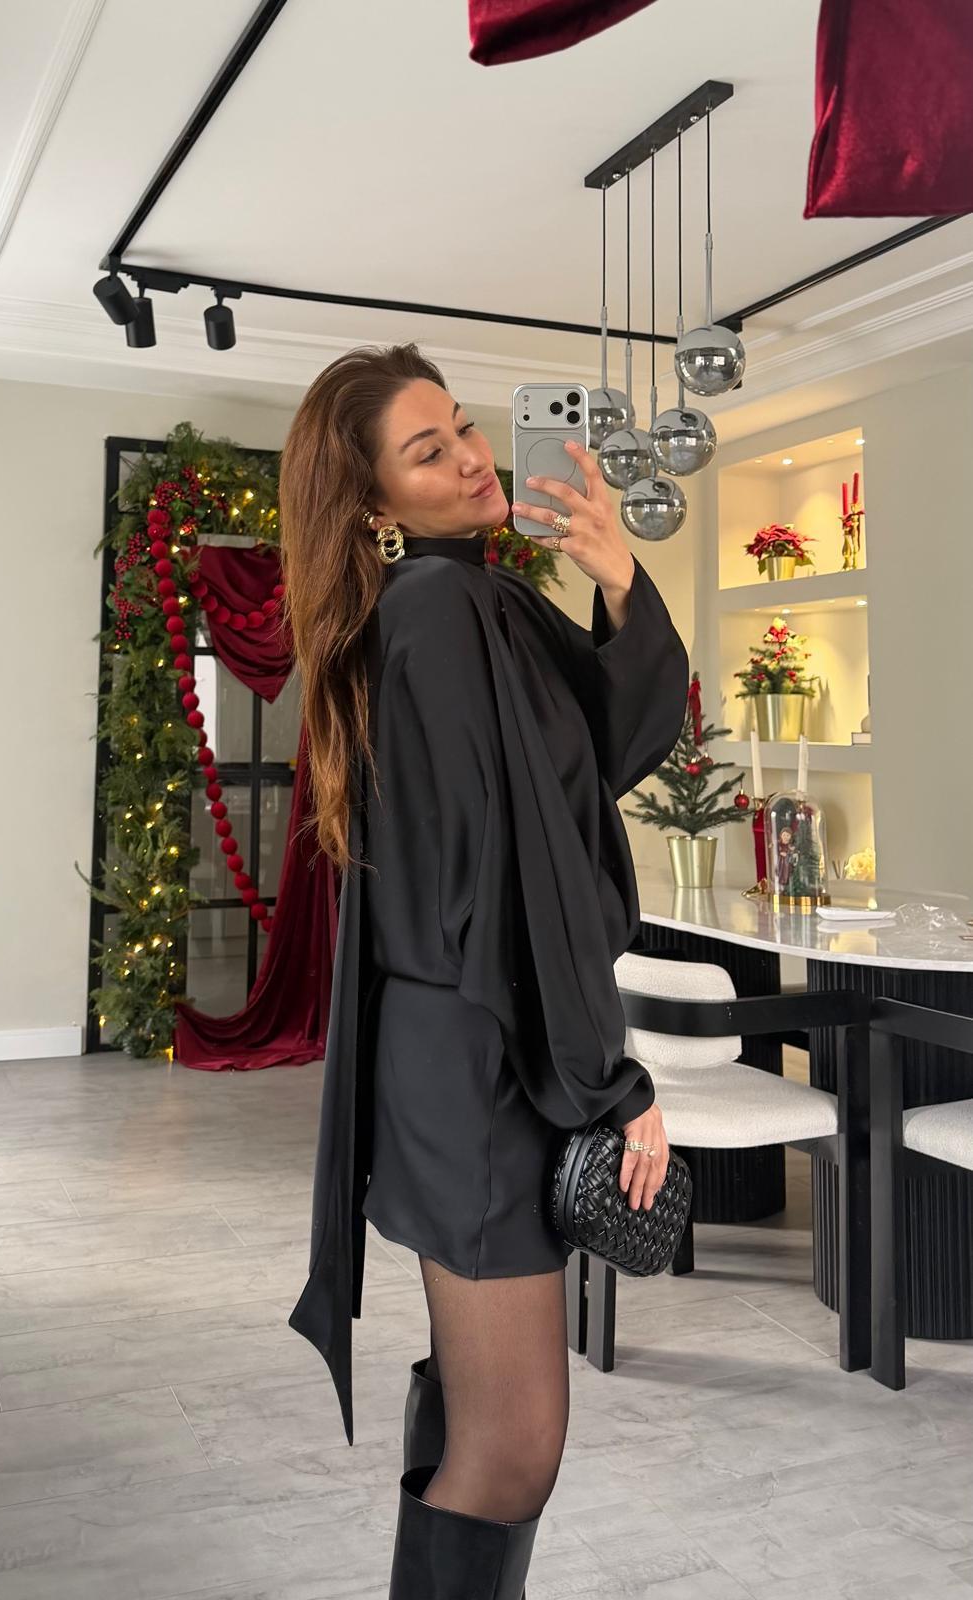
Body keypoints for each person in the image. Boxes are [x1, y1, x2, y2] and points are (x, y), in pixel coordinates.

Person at [281, 342, 689, 1598]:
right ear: (373, 502)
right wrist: (613, 1083)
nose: (469, 457)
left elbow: (604, 751)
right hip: (474, 1056)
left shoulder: (472, 599)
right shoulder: (443, 610)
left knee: (482, 1415)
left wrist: (618, 577)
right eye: (428, 450)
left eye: (460, 426)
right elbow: (506, 887)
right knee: (512, 1448)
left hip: (456, 1049)